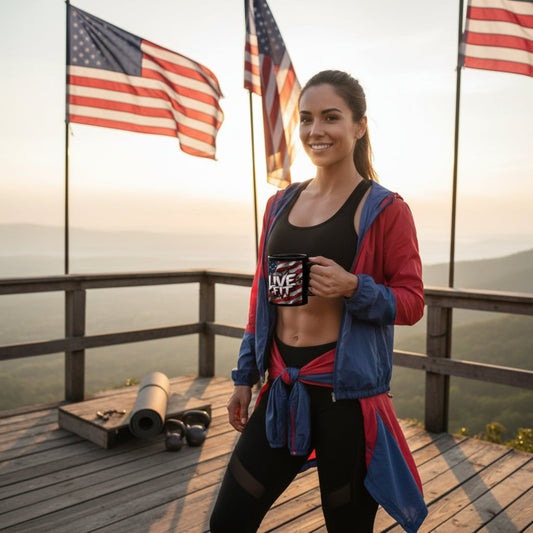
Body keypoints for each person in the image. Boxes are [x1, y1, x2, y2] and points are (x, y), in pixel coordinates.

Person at [210, 70, 427, 533]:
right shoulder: (279, 204)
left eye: (331, 117)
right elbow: (260, 298)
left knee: (346, 527)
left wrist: (354, 287)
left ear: (359, 126)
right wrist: (245, 377)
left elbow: (411, 302)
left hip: (344, 398)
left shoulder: (385, 209)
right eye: (306, 119)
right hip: (280, 388)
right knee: (229, 520)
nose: (315, 131)